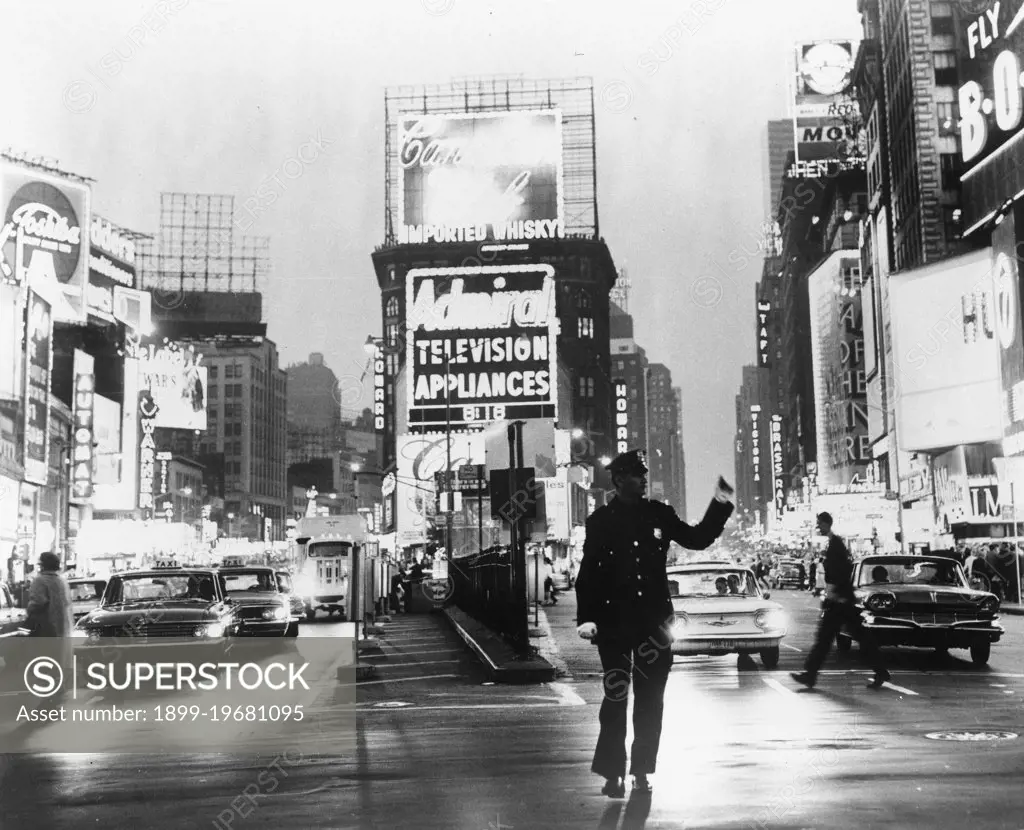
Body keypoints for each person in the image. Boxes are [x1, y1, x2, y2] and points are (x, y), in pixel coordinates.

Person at [575, 449, 734, 798]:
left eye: (644, 474)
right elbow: (588, 574)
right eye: (637, 474)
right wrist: (585, 617)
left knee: (651, 701)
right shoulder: (601, 521)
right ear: (619, 480)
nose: (644, 479)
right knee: (615, 697)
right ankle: (612, 773)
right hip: (613, 622)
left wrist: (720, 503)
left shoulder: (658, 514)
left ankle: (642, 771)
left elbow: (697, 539)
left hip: (654, 624)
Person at [791, 513, 890, 690]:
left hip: (840, 602)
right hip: (839, 601)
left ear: (827, 523)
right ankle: (810, 675)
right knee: (837, 639)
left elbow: (842, 571)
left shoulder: (836, 544)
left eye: (819, 524)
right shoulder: (833, 543)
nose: (818, 527)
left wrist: (837, 593)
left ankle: (810, 675)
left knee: (828, 639)